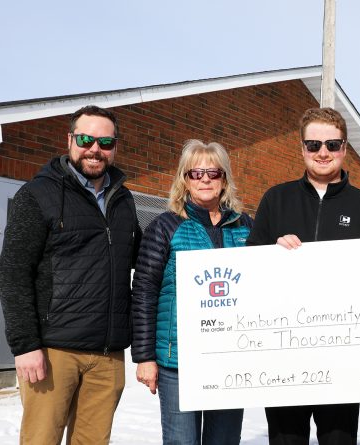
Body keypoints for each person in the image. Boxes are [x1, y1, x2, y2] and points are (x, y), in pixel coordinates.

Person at [0, 105, 141, 444]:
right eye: (86, 139)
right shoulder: (37, 195)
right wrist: (26, 345)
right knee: (41, 440)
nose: (95, 149)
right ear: (70, 139)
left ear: (115, 146)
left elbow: (142, 256)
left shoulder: (124, 200)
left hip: (107, 355)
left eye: (105, 141)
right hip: (52, 353)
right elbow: (13, 272)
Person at [246, 107, 360, 445]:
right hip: (284, 357)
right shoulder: (275, 200)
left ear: (344, 149)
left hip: (343, 359)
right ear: (302, 149)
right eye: (313, 145)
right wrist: (271, 253)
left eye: (332, 144)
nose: (323, 152)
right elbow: (248, 270)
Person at [131, 140, 252, 445]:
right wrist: (145, 356)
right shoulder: (165, 226)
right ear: (184, 179)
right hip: (178, 362)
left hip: (229, 358)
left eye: (214, 172)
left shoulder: (246, 226)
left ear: (225, 179)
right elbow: (144, 292)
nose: (206, 180)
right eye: (196, 173)